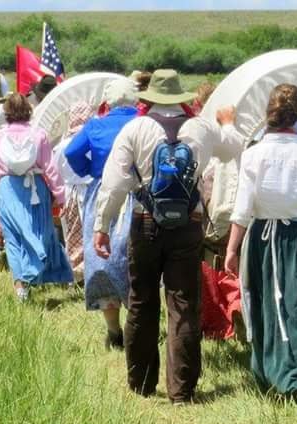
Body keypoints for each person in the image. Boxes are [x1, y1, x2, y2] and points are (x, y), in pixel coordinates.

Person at [93, 69, 242, 404]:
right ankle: (182, 389)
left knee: (142, 303)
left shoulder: (135, 128)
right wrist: (228, 122)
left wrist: (102, 226)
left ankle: (142, 383)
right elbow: (232, 148)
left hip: (145, 223)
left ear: (149, 99)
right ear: (180, 97)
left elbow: (114, 184)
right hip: (188, 225)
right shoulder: (200, 128)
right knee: (184, 305)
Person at [223, 84, 297, 400]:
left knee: (266, 304)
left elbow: (242, 209)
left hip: (262, 238)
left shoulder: (253, 155)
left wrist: (232, 249)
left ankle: (270, 372)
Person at [65, 78, 139, 350]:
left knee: (103, 262)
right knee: (135, 258)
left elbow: (72, 152)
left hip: (102, 192)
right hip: (137, 192)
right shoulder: (143, 121)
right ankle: (138, 322)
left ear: (108, 101)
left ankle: (113, 329)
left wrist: (90, 170)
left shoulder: (96, 124)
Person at [0, 93, 72, 301]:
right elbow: (49, 168)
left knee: (13, 239)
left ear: (6, 112)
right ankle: (37, 271)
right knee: (40, 232)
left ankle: (20, 287)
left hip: (9, 188)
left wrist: (1, 184)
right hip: (36, 189)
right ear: (28, 111)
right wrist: (60, 195)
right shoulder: (39, 134)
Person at [52, 102, 95, 282]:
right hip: (92, 192)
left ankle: (75, 275)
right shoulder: (93, 140)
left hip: (69, 192)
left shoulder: (61, 146)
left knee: (72, 233)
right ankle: (91, 271)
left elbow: (56, 172)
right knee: (92, 232)